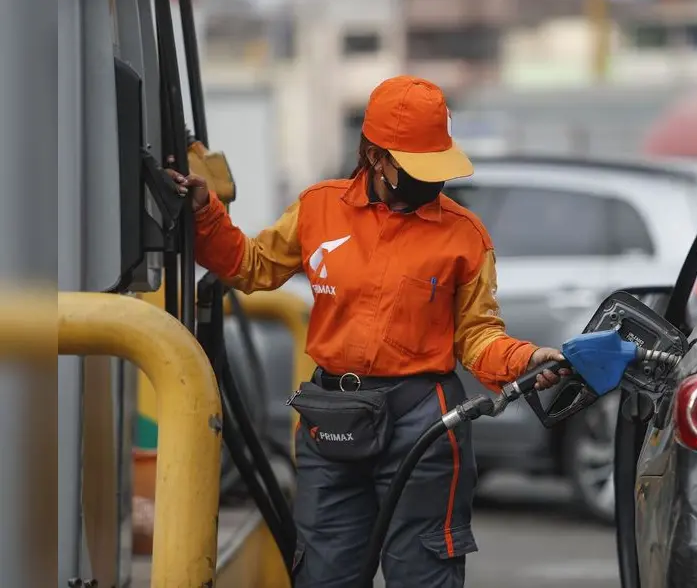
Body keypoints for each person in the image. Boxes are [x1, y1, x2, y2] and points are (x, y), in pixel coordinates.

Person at [169, 75, 570, 588]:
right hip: (333, 419)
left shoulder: (465, 237)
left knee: (424, 574)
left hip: (425, 423)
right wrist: (205, 213)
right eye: (418, 167)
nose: (433, 181)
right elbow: (251, 266)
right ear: (376, 157)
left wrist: (524, 360)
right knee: (324, 574)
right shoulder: (319, 208)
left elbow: (478, 335)